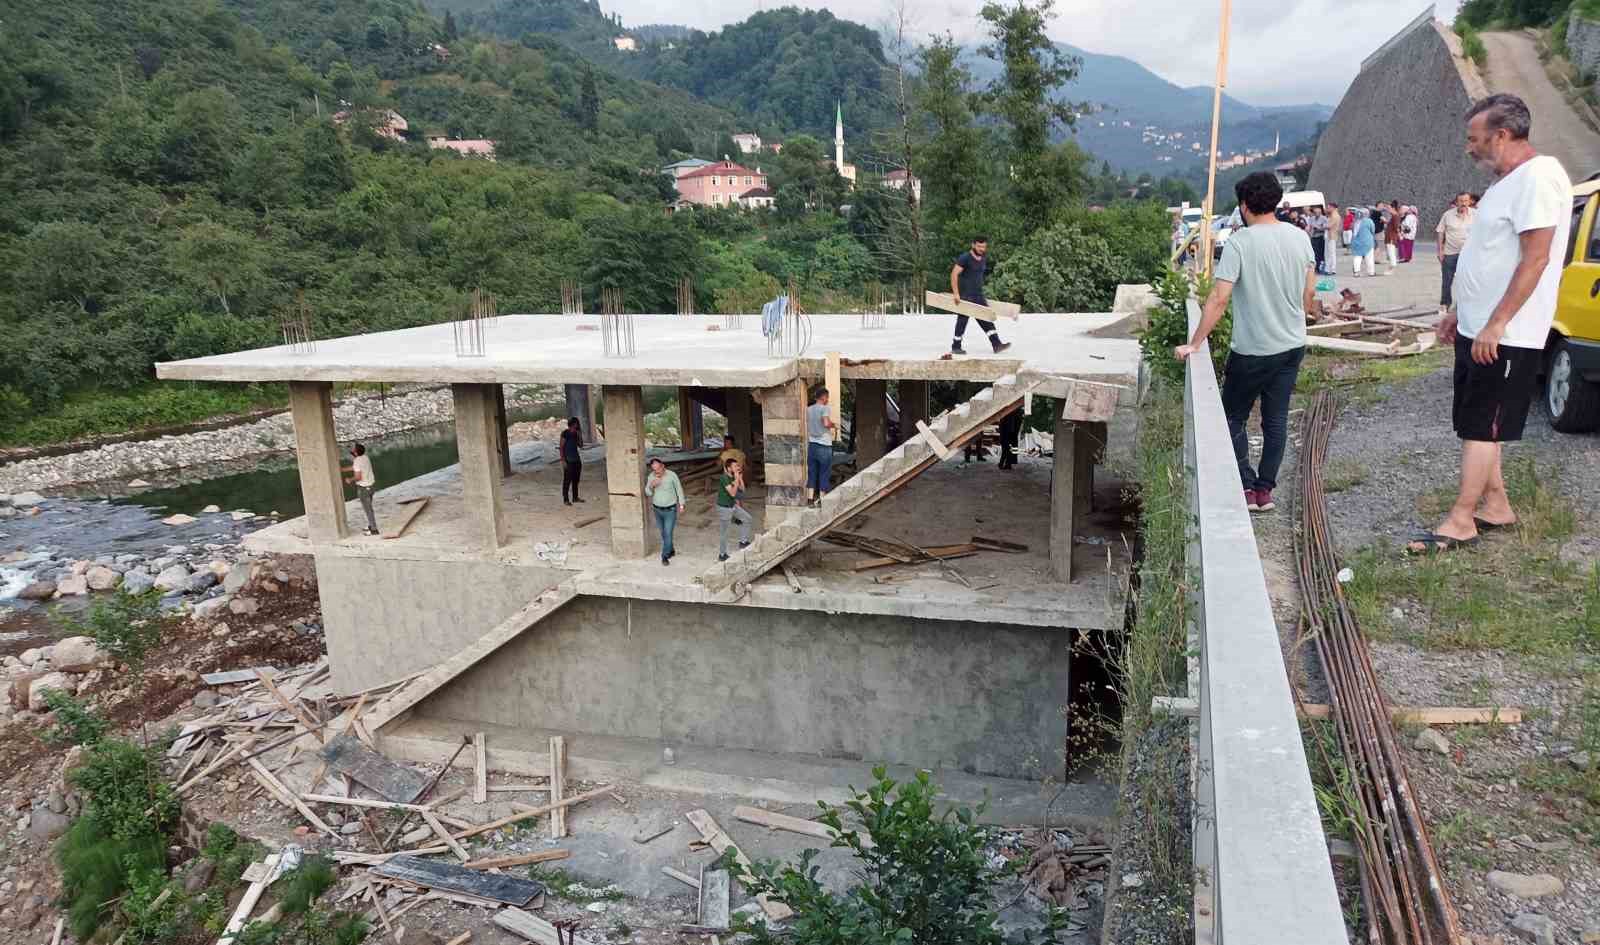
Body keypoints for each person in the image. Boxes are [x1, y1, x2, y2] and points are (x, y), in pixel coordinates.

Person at [1410, 94, 1570, 553]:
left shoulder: (1539, 178)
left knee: (1483, 426)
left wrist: (1498, 324)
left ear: (1502, 135)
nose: (1469, 148)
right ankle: (1496, 504)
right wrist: (1461, 313)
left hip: (1507, 334)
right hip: (1477, 327)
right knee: (1476, 422)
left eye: (1474, 139)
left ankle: (1462, 518)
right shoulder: (1505, 185)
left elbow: (1536, 259)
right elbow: (1489, 257)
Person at [1174, 171, 1315, 514]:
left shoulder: (1239, 243)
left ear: (1243, 205)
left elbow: (1219, 300)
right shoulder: (1300, 237)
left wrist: (1194, 343)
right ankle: (1266, 489)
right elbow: (1309, 291)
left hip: (1253, 350)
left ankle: (1246, 487)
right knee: (1276, 420)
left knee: (1233, 417)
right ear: (1276, 202)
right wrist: (1298, 316)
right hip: (1292, 346)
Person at [948, 237, 1011, 355]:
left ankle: (996, 344)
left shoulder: (983, 258)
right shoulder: (965, 258)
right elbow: (954, 274)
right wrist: (956, 293)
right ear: (973, 245)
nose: (982, 249)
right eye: (979, 246)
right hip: (966, 295)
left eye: (984, 247)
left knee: (985, 318)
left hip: (978, 294)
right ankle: (956, 346)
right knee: (962, 321)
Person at [1436, 191, 1477, 316]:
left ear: (1470, 202)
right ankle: (1445, 304)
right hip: (1450, 253)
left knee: (1467, 280)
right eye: (1461, 201)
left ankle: (1464, 306)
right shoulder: (1447, 215)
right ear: (1456, 202)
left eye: (1466, 201)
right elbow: (1440, 232)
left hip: (1469, 254)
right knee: (1447, 280)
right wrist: (1440, 250)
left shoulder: (1476, 215)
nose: (1463, 203)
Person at [644, 456, 686, 565]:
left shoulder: (672, 475)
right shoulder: (651, 477)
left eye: (658, 468)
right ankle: (671, 550)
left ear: (663, 466)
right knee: (663, 533)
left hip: (670, 510)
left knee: (668, 533)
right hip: (657, 510)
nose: (656, 471)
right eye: (654, 469)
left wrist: (681, 504)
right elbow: (647, 492)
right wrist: (652, 486)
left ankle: (664, 556)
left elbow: (679, 489)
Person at [715, 457, 753, 561]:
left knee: (748, 519)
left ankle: (743, 542)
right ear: (728, 468)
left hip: (732, 506)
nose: (737, 467)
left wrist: (739, 478)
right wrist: (736, 479)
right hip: (724, 508)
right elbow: (732, 493)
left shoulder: (732, 477)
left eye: (737, 466)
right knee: (725, 532)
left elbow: (742, 491)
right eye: (735, 466)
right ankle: (722, 555)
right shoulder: (724, 478)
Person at [806, 388, 837, 507]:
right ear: (823, 397)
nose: (827, 400)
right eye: (827, 397)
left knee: (812, 472)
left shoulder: (809, 409)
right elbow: (825, 423)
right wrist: (833, 425)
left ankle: (810, 499)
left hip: (812, 445)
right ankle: (821, 500)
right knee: (824, 473)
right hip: (824, 446)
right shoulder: (825, 408)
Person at [343, 443, 378, 536]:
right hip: (371, 486)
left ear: (355, 452)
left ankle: (374, 530)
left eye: (353, 449)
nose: (351, 449)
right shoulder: (365, 457)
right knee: (369, 508)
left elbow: (358, 476)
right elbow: (355, 467)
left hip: (364, 489)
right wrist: (342, 469)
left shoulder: (357, 460)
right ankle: (371, 525)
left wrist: (349, 480)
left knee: (368, 509)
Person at [559, 417, 584, 505]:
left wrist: (579, 435)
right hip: (568, 460)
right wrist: (563, 460)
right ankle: (566, 499)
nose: (577, 425)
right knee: (567, 481)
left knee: (576, 480)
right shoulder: (565, 433)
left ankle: (575, 497)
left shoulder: (576, 434)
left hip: (576, 460)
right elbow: (561, 447)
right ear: (573, 424)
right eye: (576, 424)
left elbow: (581, 445)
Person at [1349, 209, 1376, 277]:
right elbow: (1373, 230)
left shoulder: (1354, 222)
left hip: (1356, 242)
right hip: (1367, 242)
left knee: (1357, 257)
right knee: (1369, 257)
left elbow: (1352, 230)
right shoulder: (1369, 221)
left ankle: (1356, 272)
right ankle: (1371, 272)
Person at [1382, 200, 1401, 271]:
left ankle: (1391, 267)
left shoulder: (1395, 216)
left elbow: (1396, 227)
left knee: (1391, 253)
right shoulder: (1394, 216)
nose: (1388, 210)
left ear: (1393, 208)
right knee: (1391, 252)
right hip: (1390, 236)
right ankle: (1392, 266)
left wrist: (1399, 234)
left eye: (1389, 208)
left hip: (1391, 237)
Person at [1308, 206, 1327, 275]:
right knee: (1314, 253)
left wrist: (1318, 228)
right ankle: (1315, 268)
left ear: (1320, 213)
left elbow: (1325, 227)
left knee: (1320, 253)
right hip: (1313, 237)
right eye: (1315, 212)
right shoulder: (1311, 218)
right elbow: (1309, 227)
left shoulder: (1324, 218)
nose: (1316, 214)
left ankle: (1320, 268)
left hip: (1320, 237)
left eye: (1318, 212)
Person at [1323, 203, 1340, 275]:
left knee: (1330, 253)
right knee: (1329, 253)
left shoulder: (1335, 216)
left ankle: (1329, 269)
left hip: (1331, 236)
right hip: (1329, 236)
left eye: (1329, 207)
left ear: (1333, 208)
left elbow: (1329, 226)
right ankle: (1331, 268)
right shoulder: (1331, 215)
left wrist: (1323, 225)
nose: (1327, 209)